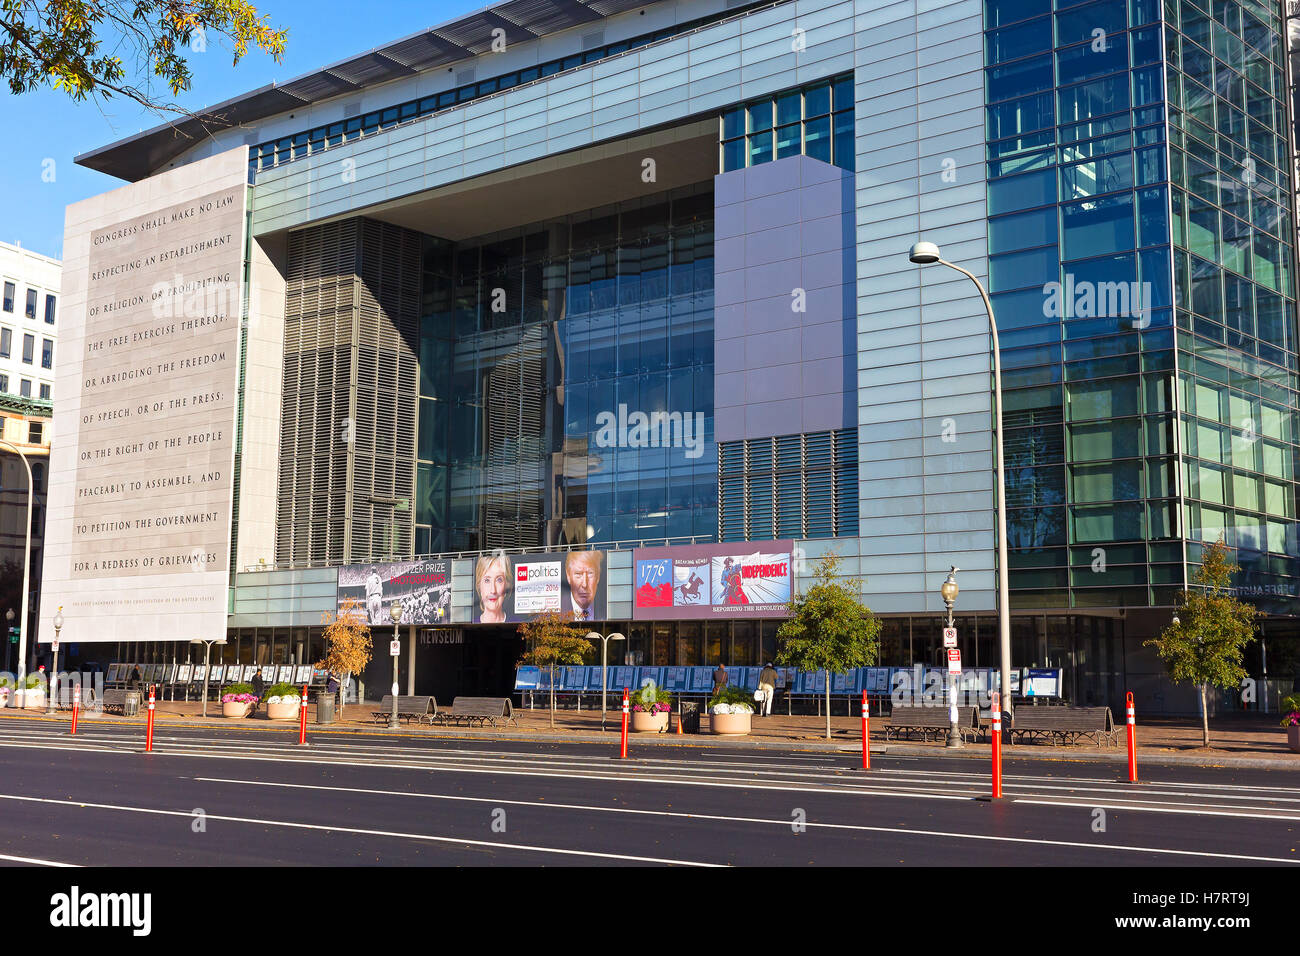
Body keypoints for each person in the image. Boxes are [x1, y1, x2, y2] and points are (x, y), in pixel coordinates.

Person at [565, 550, 604, 622]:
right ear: (568, 576)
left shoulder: (607, 610)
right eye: (578, 574)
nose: (584, 584)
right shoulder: (554, 613)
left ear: (598, 576)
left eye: (590, 573)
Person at [474, 552, 510, 623]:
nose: (493, 590)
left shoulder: (520, 624)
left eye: (499, 580)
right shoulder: (470, 622)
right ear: (479, 586)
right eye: (487, 580)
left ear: (506, 586)